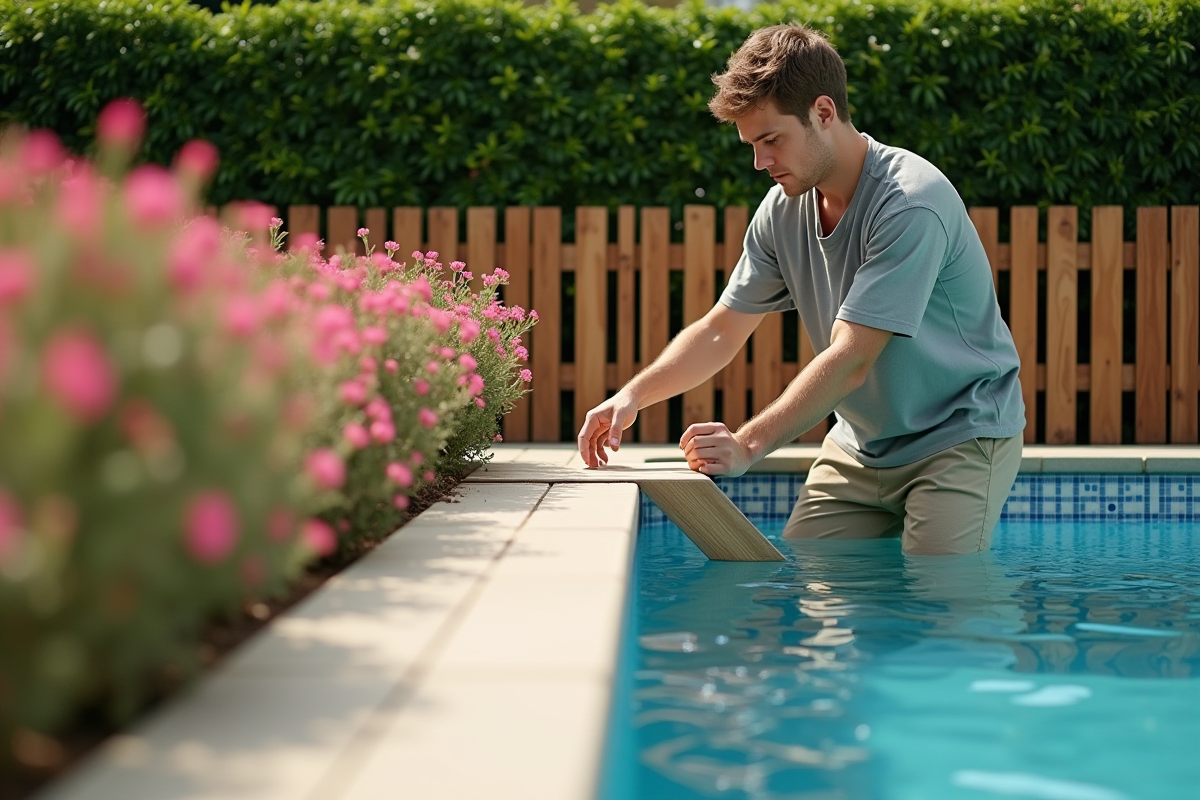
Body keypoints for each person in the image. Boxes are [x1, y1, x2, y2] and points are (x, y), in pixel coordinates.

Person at [576, 23, 1026, 556]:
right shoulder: (783, 210)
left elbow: (851, 358)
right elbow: (723, 329)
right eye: (751, 145)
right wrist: (633, 396)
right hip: (861, 447)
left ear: (824, 112)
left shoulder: (910, 202)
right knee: (816, 590)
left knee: (939, 601)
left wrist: (746, 444)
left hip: (960, 435)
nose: (759, 163)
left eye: (771, 141)